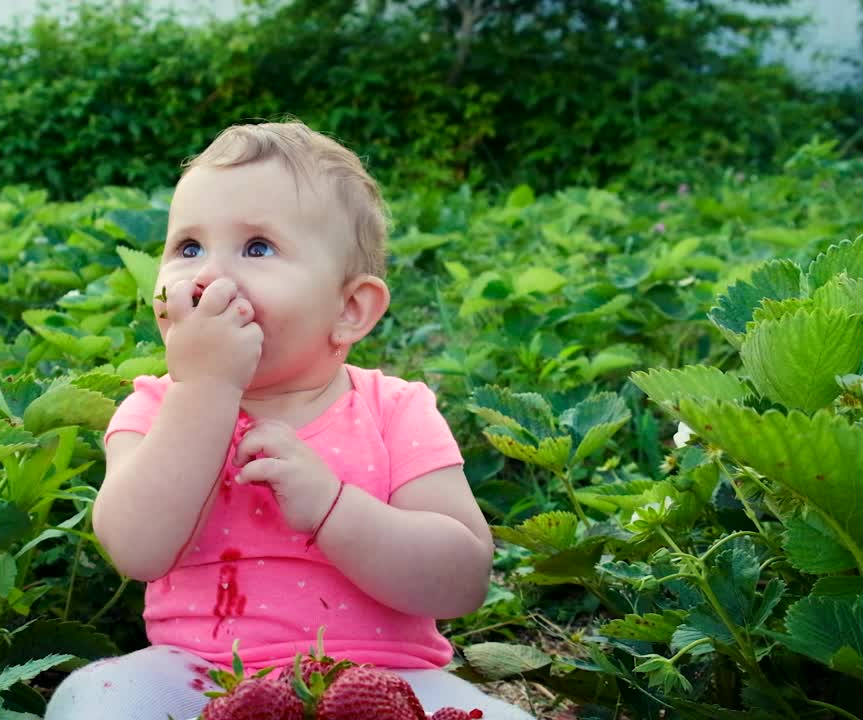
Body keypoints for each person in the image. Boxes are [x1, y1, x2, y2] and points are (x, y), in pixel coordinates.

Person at [45, 121, 533, 720]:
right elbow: (136, 550)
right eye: (188, 247)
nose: (205, 276)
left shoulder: (394, 410)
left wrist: (334, 507)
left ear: (349, 309)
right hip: (200, 678)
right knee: (94, 700)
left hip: (385, 685)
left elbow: (461, 581)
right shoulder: (154, 408)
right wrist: (204, 391)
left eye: (256, 248)